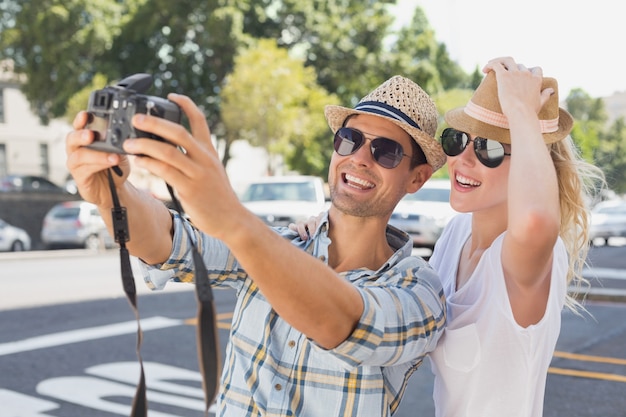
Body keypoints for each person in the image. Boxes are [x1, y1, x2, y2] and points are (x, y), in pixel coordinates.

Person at [65, 75, 448, 416]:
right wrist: (112, 195)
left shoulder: (421, 292)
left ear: (417, 178)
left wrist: (234, 219)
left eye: (386, 152)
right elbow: (170, 242)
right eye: (349, 140)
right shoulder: (275, 245)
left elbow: (345, 323)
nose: (360, 158)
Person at [292, 57, 605, 417]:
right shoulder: (458, 233)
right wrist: (331, 222)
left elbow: (535, 219)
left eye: (488, 149)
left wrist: (521, 110)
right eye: (457, 141)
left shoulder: (522, 259)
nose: (463, 160)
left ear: (528, 161)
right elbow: (393, 287)